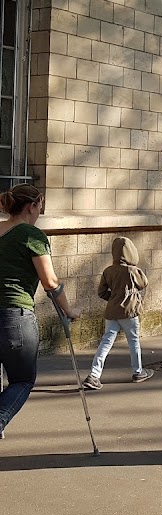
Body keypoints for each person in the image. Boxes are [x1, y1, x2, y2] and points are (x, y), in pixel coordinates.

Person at [0, 185, 80, 433]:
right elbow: (50, 282)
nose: (41, 211)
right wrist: (68, 311)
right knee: (22, 380)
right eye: (40, 205)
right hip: (15, 315)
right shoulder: (31, 235)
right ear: (31, 206)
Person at [83, 237, 153, 389]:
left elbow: (101, 292)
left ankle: (94, 375)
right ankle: (137, 371)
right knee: (133, 341)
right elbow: (143, 283)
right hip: (129, 311)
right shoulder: (133, 270)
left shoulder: (108, 271)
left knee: (106, 342)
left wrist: (113, 298)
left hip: (112, 311)